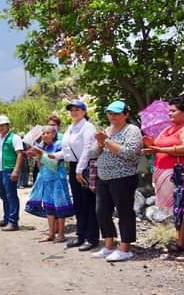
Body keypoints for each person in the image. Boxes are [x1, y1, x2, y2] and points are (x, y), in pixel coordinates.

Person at [89, 101, 142, 262]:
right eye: (110, 113)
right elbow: (92, 153)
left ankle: (125, 248)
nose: (112, 116)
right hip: (104, 177)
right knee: (101, 211)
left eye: (117, 113)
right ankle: (109, 244)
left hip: (123, 177)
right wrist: (99, 143)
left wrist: (106, 141)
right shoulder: (107, 130)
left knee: (124, 212)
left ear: (126, 114)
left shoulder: (132, 130)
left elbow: (130, 153)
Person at [56, 100, 99, 251]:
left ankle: (92, 237)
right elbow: (68, 150)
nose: (74, 112)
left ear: (84, 111)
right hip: (74, 166)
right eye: (72, 110)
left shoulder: (88, 127)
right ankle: (81, 235)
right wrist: (54, 156)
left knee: (88, 203)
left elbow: (87, 149)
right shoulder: (71, 128)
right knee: (79, 203)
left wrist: (80, 170)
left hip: (85, 167)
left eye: (77, 109)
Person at [143, 96, 184, 251]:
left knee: (181, 206)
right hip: (161, 172)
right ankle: (179, 238)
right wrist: (150, 145)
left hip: (177, 173)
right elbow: (156, 146)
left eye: (173, 111)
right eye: (169, 111)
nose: (170, 114)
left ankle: (181, 242)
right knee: (175, 208)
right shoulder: (167, 129)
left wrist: (159, 149)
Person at [25, 126, 74, 243]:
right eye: (43, 133)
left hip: (58, 180)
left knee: (60, 207)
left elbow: (54, 164)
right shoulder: (42, 146)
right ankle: (51, 234)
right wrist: (35, 156)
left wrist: (40, 155)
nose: (45, 135)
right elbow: (40, 165)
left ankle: (61, 234)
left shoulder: (58, 145)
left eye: (48, 133)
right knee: (49, 208)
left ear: (53, 134)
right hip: (46, 180)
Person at [0, 115, 24, 231]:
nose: (0, 127)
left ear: (7, 125)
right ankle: (6, 219)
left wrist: (16, 170)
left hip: (9, 170)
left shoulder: (14, 137)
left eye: (2, 125)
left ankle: (13, 222)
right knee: (4, 196)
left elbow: (20, 154)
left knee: (11, 196)